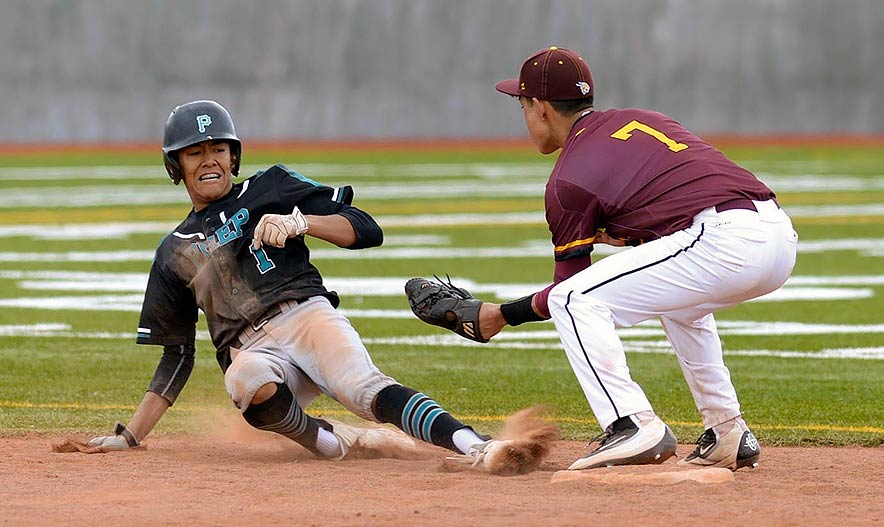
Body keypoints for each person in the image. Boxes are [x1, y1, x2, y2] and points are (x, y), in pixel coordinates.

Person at [87, 99, 547, 475]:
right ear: (176, 166)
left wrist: (302, 221)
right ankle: (331, 443)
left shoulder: (272, 186)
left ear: (234, 155)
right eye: (194, 152)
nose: (209, 160)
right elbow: (177, 355)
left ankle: (479, 446)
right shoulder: (173, 251)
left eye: (218, 149)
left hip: (306, 316)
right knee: (244, 381)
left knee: (365, 391)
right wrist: (130, 436)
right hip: (251, 352)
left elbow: (366, 229)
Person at [471, 46, 796, 470]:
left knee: (575, 300)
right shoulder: (643, 119)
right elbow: (675, 194)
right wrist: (628, 237)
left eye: (523, 103)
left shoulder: (567, 182)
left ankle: (631, 424)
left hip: (723, 240)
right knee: (683, 307)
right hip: (776, 234)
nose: (525, 114)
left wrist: (500, 314)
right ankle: (726, 432)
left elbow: (565, 291)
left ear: (542, 108)